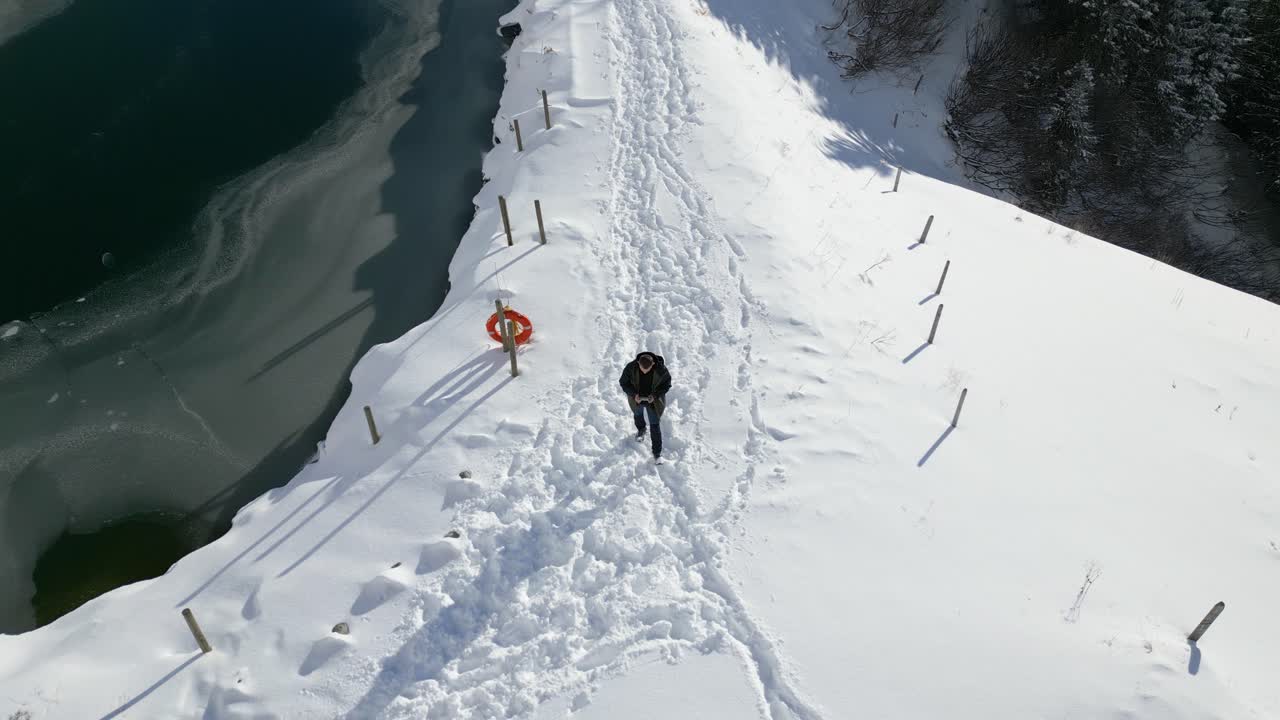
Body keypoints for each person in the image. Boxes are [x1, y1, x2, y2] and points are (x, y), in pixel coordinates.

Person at [619, 351, 671, 461]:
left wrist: (655, 395)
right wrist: (633, 394)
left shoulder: (661, 370)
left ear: (652, 364)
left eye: (647, 370)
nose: (645, 371)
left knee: (655, 424)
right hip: (636, 399)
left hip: (653, 401)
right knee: (638, 415)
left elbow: (667, 384)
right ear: (638, 363)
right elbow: (623, 382)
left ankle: (657, 453)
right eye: (642, 369)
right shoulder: (631, 367)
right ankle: (641, 430)